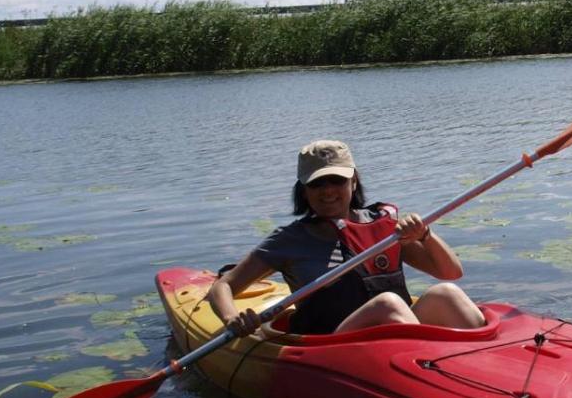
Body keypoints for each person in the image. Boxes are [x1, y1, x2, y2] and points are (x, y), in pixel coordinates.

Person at [207, 140, 485, 337]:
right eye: (317, 183)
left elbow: (451, 272)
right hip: (333, 347)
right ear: (303, 190)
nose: (328, 190)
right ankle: (427, 371)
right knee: (387, 303)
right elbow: (223, 286)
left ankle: (480, 366)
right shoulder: (290, 240)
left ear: (354, 182)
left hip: (394, 341)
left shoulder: (382, 227)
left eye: (337, 180)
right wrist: (232, 318)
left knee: (446, 294)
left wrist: (425, 235)